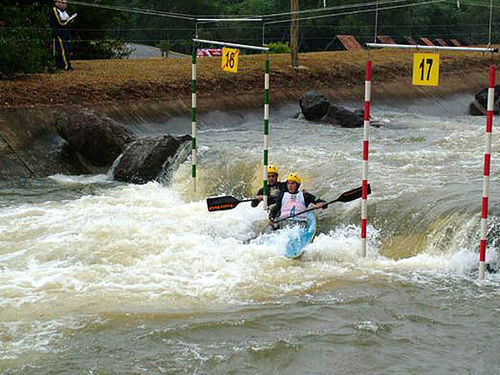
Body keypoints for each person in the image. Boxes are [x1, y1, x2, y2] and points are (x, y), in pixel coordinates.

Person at [49, 0, 77, 71]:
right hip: (59, 33)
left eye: (66, 3)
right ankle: (66, 65)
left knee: (66, 49)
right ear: (57, 3)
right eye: (63, 3)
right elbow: (60, 23)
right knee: (63, 49)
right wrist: (69, 20)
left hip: (65, 33)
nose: (65, 5)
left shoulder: (65, 11)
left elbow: (67, 22)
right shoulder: (54, 10)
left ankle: (62, 65)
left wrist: (71, 20)